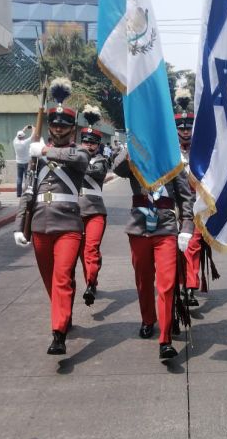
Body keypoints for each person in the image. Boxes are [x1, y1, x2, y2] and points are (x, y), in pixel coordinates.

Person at [13, 78, 88, 356]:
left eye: (63, 125)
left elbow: (79, 161)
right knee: (50, 280)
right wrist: (19, 225)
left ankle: (58, 334)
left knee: (61, 276)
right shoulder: (35, 156)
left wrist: (44, 150)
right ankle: (63, 314)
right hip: (40, 224)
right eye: (54, 124)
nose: (57, 128)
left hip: (68, 224)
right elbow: (27, 192)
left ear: (72, 129)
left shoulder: (76, 151)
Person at [113, 147, 194, 361]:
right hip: (139, 226)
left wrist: (187, 226)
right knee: (143, 279)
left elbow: (186, 197)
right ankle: (148, 319)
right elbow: (118, 168)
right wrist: (129, 149)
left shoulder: (172, 160)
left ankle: (165, 338)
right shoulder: (136, 155)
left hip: (166, 226)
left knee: (166, 285)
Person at [173, 87, 203, 307]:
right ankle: (179, 283)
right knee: (174, 248)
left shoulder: (201, 151)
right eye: (181, 128)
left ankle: (190, 286)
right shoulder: (170, 151)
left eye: (189, 127)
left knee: (192, 245)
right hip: (172, 205)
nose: (185, 131)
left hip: (195, 206)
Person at [78, 104, 110, 307]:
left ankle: (90, 284)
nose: (89, 146)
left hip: (95, 211)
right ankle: (92, 280)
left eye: (93, 143)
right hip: (74, 212)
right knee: (82, 253)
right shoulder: (74, 156)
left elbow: (95, 173)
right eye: (86, 142)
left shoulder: (101, 161)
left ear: (98, 145)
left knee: (91, 249)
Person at [13, 125, 33, 197]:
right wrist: (33, 128)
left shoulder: (15, 141)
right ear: (23, 137)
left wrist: (24, 129)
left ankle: (18, 193)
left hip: (19, 162)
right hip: (26, 162)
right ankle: (26, 192)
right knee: (26, 177)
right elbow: (32, 136)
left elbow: (19, 134)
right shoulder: (25, 142)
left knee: (19, 178)